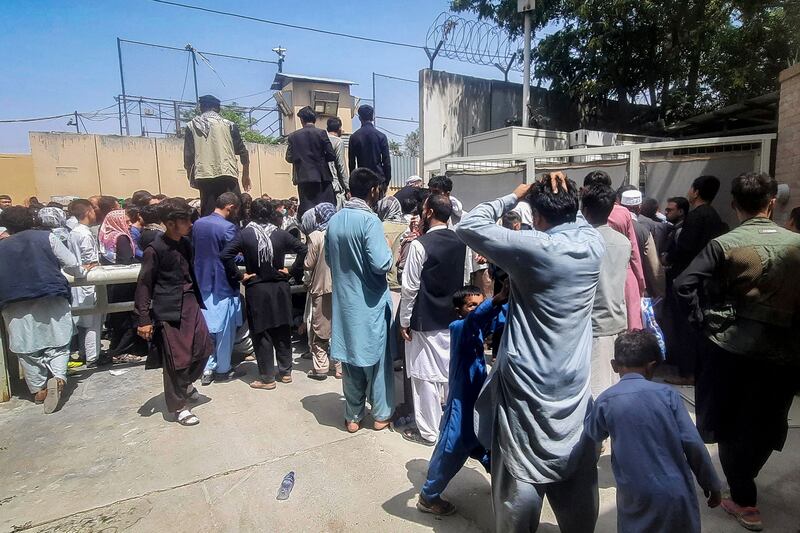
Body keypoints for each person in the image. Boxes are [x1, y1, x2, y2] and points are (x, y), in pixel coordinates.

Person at [456, 172, 604, 532]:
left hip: (525, 388)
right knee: (576, 467)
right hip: (571, 384)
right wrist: (566, 195)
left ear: (536, 217)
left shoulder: (532, 248)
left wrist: (514, 194)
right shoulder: (593, 244)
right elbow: (575, 221)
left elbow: (469, 225)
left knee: (519, 476)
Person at [675, 172, 800, 531]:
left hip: (731, 349)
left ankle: (744, 498)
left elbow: (686, 283)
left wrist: (703, 322)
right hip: (785, 353)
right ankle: (746, 482)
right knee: (769, 419)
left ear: (734, 204)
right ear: (772, 203)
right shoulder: (795, 243)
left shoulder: (725, 243)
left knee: (729, 422)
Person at [584, 330, 722, 533]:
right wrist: (711, 482)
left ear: (614, 366)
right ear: (652, 366)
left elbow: (593, 433)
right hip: (676, 492)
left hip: (636, 496)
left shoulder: (606, 400)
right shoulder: (668, 396)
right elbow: (693, 444)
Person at [417, 282, 509, 516]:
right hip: (461, 406)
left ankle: (504, 486)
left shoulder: (478, 327)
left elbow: (499, 318)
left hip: (478, 404)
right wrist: (496, 299)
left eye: (479, 303)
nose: (476, 308)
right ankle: (428, 497)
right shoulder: (459, 327)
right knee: (451, 450)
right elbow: (477, 318)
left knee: (487, 447)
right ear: (459, 310)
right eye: (471, 305)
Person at [325, 168, 394, 433]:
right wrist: (389, 248)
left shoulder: (334, 220)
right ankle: (380, 414)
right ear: (374, 190)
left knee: (351, 359)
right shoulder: (370, 221)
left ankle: (352, 416)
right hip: (371, 303)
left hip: (345, 303)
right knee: (377, 362)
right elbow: (381, 263)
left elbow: (330, 260)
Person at [0, 206, 88, 413]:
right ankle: (57, 377)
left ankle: (38, 389)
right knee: (59, 341)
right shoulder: (45, 237)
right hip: (51, 294)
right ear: (31, 219)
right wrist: (82, 271)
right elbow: (71, 263)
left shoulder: (2, 246)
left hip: (14, 300)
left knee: (26, 347)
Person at [135, 198, 213, 426]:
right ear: (170, 223)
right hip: (168, 308)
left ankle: (185, 384)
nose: (190, 224)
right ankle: (179, 406)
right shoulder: (155, 249)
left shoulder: (186, 244)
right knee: (176, 360)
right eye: (185, 220)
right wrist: (144, 318)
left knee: (204, 347)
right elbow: (144, 284)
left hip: (190, 303)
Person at [399, 193, 467, 446]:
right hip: (452, 319)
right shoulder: (461, 242)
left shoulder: (420, 245)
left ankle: (429, 431)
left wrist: (404, 320)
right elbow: (466, 279)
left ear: (428, 212)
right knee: (449, 373)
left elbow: (410, 288)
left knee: (424, 377)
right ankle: (450, 424)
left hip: (425, 319)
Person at [220, 198, 307, 390]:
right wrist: (291, 271)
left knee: (262, 332)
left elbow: (225, 254)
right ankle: (285, 372)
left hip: (257, 288)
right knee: (282, 328)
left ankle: (267, 377)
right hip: (279, 288)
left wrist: (240, 275)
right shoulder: (280, 234)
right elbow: (303, 249)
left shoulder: (245, 234)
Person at [665, 175, 728, 385]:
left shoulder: (696, 216)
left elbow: (684, 248)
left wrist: (668, 258)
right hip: (706, 280)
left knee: (685, 327)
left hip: (688, 281)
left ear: (696, 191)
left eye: (691, 188)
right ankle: (698, 371)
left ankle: (687, 373)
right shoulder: (714, 216)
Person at [581, 184, 631, 398]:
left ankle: (599, 431)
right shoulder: (624, 241)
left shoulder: (583, 241)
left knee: (596, 389)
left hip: (593, 324)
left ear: (584, 209)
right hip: (617, 320)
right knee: (612, 383)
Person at [192, 192, 244, 386]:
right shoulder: (228, 228)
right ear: (230, 207)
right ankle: (223, 368)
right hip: (223, 284)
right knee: (225, 330)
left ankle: (206, 368)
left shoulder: (198, 224)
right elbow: (231, 256)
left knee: (206, 330)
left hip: (201, 281)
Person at [584, 171, 646, 330]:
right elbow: (634, 253)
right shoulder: (623, 212)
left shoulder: (582, 215)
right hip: (622, 272)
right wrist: (640, 282)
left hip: (593, 273)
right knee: (628, 323)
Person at [184, 94, 251, 217]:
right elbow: (242, 151)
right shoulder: (229, 125)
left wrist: (191, 176)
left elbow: (188, 157)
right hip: (228, 174)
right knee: (233, 211)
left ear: (201, 108)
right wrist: (245, 175)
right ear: (218, 109)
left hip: (204, 175)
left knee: (209, 212)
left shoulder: (191, 126)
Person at [303, 202, 340, 380]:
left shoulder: (316, 235)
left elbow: (308, 263)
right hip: (342, 288)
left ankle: (321, 367)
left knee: (321, 329)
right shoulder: (340, 232)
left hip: (322, 286)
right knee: (339, 328)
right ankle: (340, 367)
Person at [67, 199, 105, 367]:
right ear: (88, 212)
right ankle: (92, 356)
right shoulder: (84, 233)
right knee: (93, 322)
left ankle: (84, 352)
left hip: (79, 283)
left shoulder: (74, 232)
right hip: (88, 284)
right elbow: (91, 260)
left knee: (84, 321)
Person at [285, 106, 337, 217]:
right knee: (327, 212)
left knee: (308, 214)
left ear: (302, 120)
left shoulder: (293, 136)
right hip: (322, 179)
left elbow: (289, 158)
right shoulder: (322, 133)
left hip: (304, 179)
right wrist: (321, 160)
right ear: (314, 119)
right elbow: (332, 155)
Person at [619, 188, 665, 298]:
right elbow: (654, 266)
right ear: (639, 207)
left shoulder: (609, 224)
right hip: (636, 285)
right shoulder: (643, 230)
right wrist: (660, 292)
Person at [348, 105, 391, 186]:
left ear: (360, 118)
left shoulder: (354, 137)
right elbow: (386, 161)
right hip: (378, 179)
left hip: (362, 180)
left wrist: (353, 182)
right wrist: (386, 181)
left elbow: (352, 163)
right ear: (372, 117)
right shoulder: (381, 136)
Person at [326, 117, 350, 209]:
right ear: (339, 128)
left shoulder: (321, 139)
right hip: (335, 186)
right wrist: (347, 188)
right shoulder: (338, 142)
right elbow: (341, 166)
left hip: (323, 185)